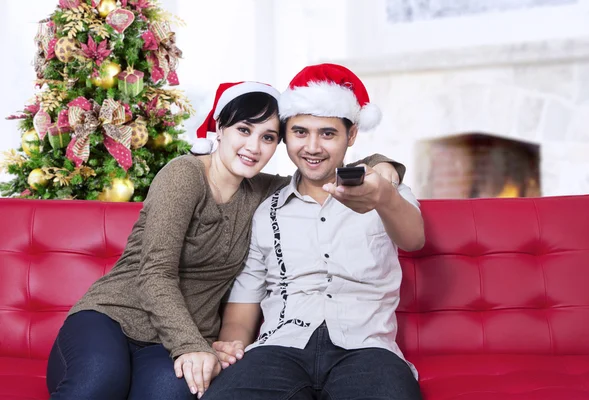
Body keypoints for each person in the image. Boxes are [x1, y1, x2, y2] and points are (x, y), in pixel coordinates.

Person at [45, 80, 402, 400]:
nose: (253, 146)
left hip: (173, 342)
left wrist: (382, 163)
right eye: (243, 130)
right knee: (99, 384)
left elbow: (320, 171)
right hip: (115, 318)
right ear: (220, 129)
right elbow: (154, 271)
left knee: (169, 393)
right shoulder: (184, 175)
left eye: (267, 137)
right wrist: (190, 346)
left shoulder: (265, 191)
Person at [203, 64, 425, 400]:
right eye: (300, 132)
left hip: (366, 349)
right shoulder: (267, 211)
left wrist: (384, 196)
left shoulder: (384, 191)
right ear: (285, 135)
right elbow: (244, 302)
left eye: (328, 133)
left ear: (351, 136)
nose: (313, 147)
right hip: (280, 347)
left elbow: (414, 239)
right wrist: (232, 344)